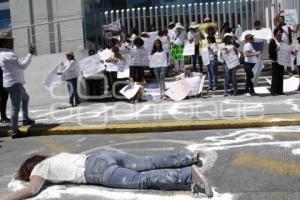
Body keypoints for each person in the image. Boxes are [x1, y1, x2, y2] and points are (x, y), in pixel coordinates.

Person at [0, 149, 213, 200]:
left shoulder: (39, 169)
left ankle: (187, 176)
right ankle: (189, 157)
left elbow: (32, 189)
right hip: (102, 155)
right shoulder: (56, 156)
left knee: (139, 181)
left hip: (94, 170)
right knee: (147, 162)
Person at [0, 31, 35, 138]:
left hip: (10, 83)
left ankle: (25, 119)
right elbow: (23, 65)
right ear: (5, 42)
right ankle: (15, 131)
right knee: (15, 107)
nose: (12, 42)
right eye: (11, 40)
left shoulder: (2, 53)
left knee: (25, 98)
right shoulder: (9, 54)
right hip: (15, 84)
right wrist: (30, 54)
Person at [269, 28, 285, 96]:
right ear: (275, 33)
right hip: (275, 61)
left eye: (281, 32)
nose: (281, 34)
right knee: (275, 76)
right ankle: (273, 91)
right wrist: (276, 49)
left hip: (281, 60)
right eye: (279, 32)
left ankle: (280, 90)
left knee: (281, 76)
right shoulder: (273, 41)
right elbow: (270, 51)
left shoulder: (282, 41)